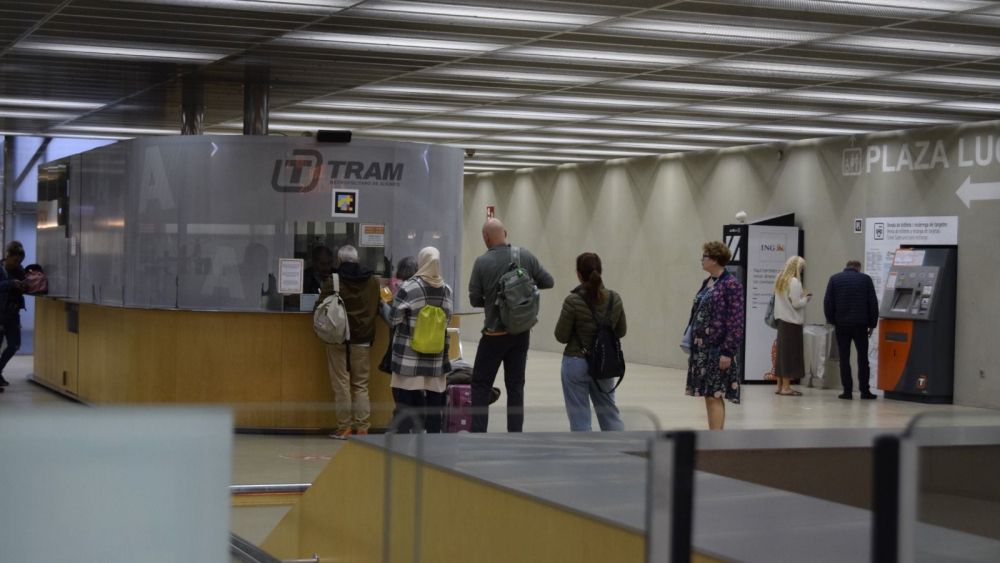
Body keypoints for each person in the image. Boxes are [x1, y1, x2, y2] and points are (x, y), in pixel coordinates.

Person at [468, 218, 554, 433]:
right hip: (520, 333)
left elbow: (474, 299)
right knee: (516, 387)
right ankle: (515, 434)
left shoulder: (482, 262)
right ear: (505, 233)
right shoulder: (525, 256)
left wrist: (492, 300)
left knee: (480, 385)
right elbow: (548, 281)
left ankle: (478, 434)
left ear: (485, 238)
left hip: (494, 335)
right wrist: (523, 293)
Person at [553, 253, 626, 431]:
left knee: (580, 418)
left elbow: (561, 336)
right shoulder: (614, 298)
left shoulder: (573, 300)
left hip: (576, 362)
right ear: (600, 271)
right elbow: (621, 331)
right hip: (605, 363)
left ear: (578, 274)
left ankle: (585, 455)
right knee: (609, 412)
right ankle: (618, 452)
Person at [388, 247, 453, 433]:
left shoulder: (409, 287)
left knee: (405, 404)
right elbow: (447, 319)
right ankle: (432, 443)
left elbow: (394, 318)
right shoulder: (446, 290)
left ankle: (402, 445)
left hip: (409, 358)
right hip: (435, 358)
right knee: (434, 405)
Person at [318, 245, 380, 439]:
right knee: (361, 385)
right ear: (357, 259)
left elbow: (319, 307)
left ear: (339, 260)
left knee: (341, 384)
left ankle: (344, 428)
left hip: (337, 339)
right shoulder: (373, 281)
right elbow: (376, 306)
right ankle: (362, 428)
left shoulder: (333, 281)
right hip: (362, 339)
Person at [685, 241, 745, 430]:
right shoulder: (709, 282)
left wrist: (727, 351)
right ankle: (712, 435)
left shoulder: (731, 285)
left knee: (715, 395)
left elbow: (735, 321)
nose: (702, 260)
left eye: (705, 257)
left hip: (718, 350)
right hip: (702, 349)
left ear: (715, 260)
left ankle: (716, 439)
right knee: (707, 394)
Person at [823, 260, 879, 400]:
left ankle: (847, 392)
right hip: (860, 325)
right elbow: (873, 303)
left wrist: (832, 321)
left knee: (844, 358)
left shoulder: (834, 279)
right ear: (858, 268)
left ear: (846, 267)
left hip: (842, 325)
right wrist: (872, 324)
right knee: (862, 358)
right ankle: (865, 391)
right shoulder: (865, 279)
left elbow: (828, 302)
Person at [772, 256, 812, 396]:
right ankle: (786, 388)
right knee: (790, 355)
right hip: (792, 323)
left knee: (782, 355)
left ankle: (779, 386)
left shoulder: (779, 279)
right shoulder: (794, 281)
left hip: (782, 322)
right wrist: (806, 298)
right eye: (800, 268)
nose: (800, 271)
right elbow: (796, 303)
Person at [0, 241, 28, 388]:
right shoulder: (0, 269)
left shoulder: (19, 270)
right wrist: (11, 283)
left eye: (20, 261)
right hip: (0, 312)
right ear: (8, 256)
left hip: (13, 313)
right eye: (16, 260)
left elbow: (24, 286)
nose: (18, 263)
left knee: (14, 345)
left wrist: (24, 285)